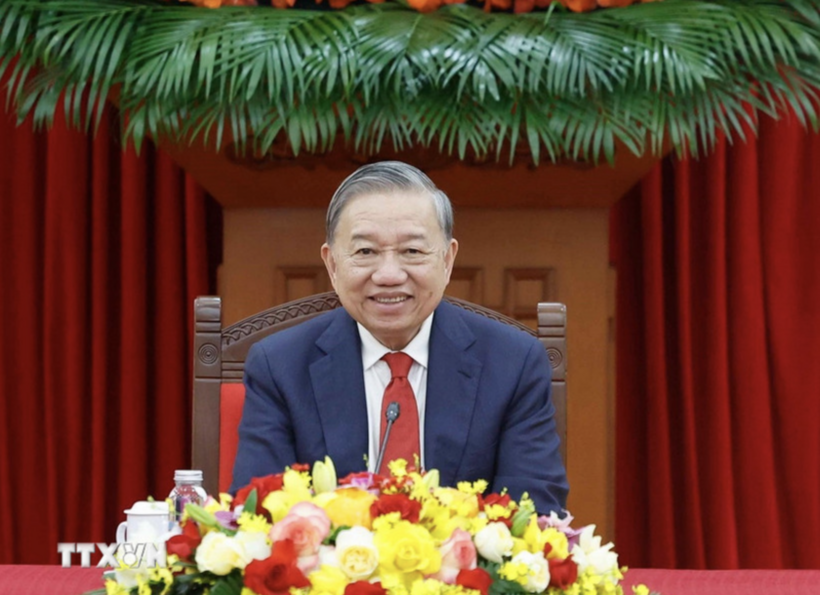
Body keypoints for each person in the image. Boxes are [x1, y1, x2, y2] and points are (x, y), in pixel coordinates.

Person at [231, 161, 568, 514]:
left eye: (412, 251)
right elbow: (260, 511)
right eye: (365, 252)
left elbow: (533, 512)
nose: (389, 275)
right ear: (332, 265)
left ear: (448, 260)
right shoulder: (280, 365)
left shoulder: (513, 362)